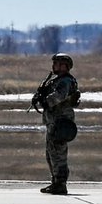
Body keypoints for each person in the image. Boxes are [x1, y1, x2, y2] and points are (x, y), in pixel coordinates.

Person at [32, 53, 79, 195]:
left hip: (61, 122)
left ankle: (60, 183)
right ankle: (55, 182)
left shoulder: (65, 81)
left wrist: (44, 100)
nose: (54, 66)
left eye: (57, 63)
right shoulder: (56, 81)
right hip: (54, 122)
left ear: (64, 66)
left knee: (58, 154)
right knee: (51, 154)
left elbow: (58, 97)